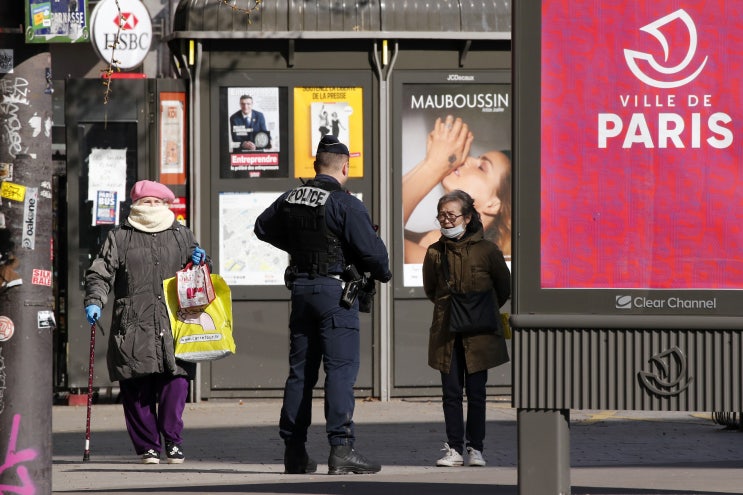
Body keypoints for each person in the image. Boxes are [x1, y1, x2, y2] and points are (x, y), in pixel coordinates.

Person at [254, 135, 392, 475]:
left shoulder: (292, 197)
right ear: (345, 167)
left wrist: (299, 249)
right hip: (335, 293)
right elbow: (379, 261)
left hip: (301, 290)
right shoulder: (346, 204)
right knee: (341, 371)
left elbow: (261, 227)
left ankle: (295, 452)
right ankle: (341, 449)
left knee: (300, 374)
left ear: (317, 166)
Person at [83, 180, 210, 465]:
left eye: (157, 202)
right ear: (136, 205)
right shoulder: (120, 236)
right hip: (133, 322)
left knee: (175, 385)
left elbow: (201, 271)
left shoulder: (181, 234)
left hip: (174, 322)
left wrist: (203, 260)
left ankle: (173, 441)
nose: (151, 207)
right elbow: (100, 273)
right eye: (146, 202)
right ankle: (147, 447)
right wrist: (95, 299)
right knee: (136, 388)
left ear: (166, 205)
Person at [422, 189, 510, 468]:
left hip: (479, 332)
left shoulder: (488, 250)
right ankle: (454, 448)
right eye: (442, 216)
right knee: (450, 392)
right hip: (446, 331)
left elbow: (503, 288)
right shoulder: (435, 252)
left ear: (468, 216)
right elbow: (431, 289)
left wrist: (478, 309)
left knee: (476, 393)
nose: (446, 221)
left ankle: (476, 448)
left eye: (451, 215)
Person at [402, 115, 512, 264]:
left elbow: (370, 239)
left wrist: (434, 166)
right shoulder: (440, 241)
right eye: (477, 158)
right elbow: (377, 222)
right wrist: (430, 163)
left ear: (493, 205)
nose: (468, 159)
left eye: (481, 167)